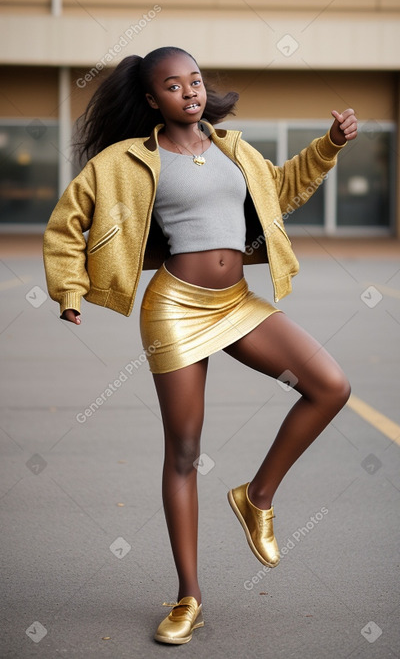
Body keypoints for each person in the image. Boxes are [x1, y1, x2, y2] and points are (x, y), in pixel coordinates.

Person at [43, 46, 358, 645]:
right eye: (172, 85)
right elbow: (67, 222)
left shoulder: (233, 149)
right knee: (184, 451)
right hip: (175, 310)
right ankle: (189, 597)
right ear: (151, 99)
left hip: (237, 302)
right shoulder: (124, 162)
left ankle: (256, 495)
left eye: (194, 80)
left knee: (329, 386)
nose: (189, 91)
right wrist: (69, 290)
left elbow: (282, 190)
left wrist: (329, 145)